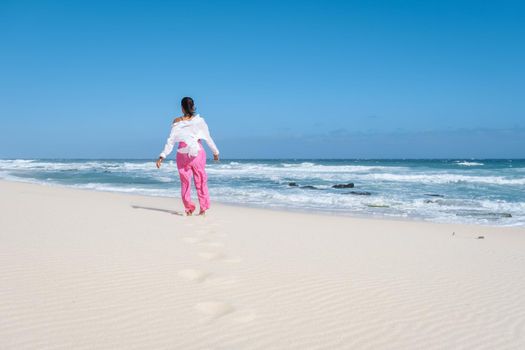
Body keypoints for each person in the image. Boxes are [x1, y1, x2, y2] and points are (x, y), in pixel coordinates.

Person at [156, 97, 220, 216]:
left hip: (182, 154)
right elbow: (208, 138)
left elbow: (170, 141)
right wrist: (215, 152)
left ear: (181, 107)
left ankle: (189, 208)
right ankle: (203, 209)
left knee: (185, 183)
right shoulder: (200, 121)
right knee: (200, 181)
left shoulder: (176, 121)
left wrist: (162, 156)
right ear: (193, 106)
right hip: (198, 154)